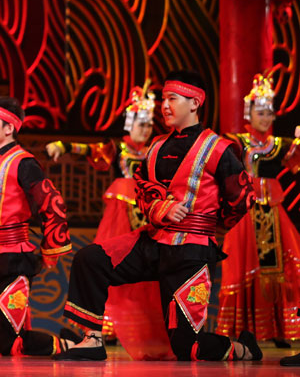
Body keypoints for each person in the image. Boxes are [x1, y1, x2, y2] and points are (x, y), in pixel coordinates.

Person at [55, 70, 261, 362]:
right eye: (164, 99)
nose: (165, 106)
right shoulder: (157, 147)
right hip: (154, 241)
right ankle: (92, 340)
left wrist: (207, 225)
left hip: (190, 252)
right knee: (90, 259)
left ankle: (244, 349)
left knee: (187, 347)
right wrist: (160, 208)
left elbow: (242, 197)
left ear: (195, 103)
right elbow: (142, 188)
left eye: (172, 99)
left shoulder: (218, 148)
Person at [46, 85, 155, 346]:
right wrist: (64, 145)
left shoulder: (153, 152)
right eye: (141, 124)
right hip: (120, 218)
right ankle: (106, 327)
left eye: (150, 125)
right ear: (130, 124)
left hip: (146, 215)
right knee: (112, 263)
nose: (146, 129)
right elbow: (91, 150)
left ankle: (139, 328)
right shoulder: (119, 150)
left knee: (145, 275)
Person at [0, 96, 73, 357]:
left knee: (11, 342)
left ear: (9, 127)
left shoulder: (24, 163)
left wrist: (51, 248)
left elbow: (52, 203)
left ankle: (70, 345)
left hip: (12, 258)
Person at [217, 73, 300, 345]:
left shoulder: (279, 145)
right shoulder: (236, 141)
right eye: (260, 112)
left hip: (273, 212)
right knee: (242, 266)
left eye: (269, 113)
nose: (265, 118)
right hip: (245, 214)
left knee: (284, 268)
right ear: (249, 113)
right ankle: (244, 330)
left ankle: (280, 330)